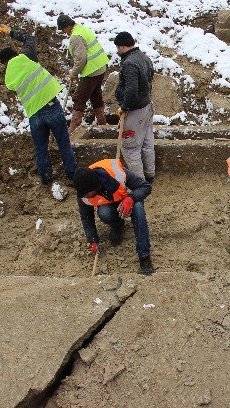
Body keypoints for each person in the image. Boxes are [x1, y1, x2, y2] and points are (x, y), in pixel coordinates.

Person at [0, 25, 77, 185]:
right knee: (63, 142)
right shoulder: (26, 57)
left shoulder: (8, 77)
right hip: (50, 106)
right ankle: (72, 174)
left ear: (4, 63)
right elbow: (30, 39)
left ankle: (46, 177)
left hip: (34, 113)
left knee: (41, 148)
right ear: (15, 55)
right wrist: (11, 32)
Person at [73, 158, 154, 275]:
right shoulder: (83, 192)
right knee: (104, 213)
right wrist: (93, 239)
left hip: (129, 199)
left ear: (94, 186)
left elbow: (145, 187)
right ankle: (118, 225)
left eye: (86, 193)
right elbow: (86, 217)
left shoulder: (117, 174)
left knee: (138, 210)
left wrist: (131, 198)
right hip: (111, 204)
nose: (84, 196)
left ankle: (144, 257)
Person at [56, 14, 110, 134]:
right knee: (95, 95)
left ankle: (73, 128)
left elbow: (80, 59)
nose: (64, 32)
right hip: (100, 67)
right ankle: (102, 123)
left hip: (91, 71)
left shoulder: (76, 37)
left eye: (63, 29)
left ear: (68, 26)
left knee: (79, 98)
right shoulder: (82, 29)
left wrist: (74, 73)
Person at [114, 31, 156, 183]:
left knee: (130, 148)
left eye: (118, 48)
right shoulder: (144, 57)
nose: (117, 51)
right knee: (146, 143)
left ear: (123, 46)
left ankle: (139, 182)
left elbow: (131, 90)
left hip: (135, 111)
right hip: (147, 106)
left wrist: (125, 107)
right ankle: (150, 175)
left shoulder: (130, 63)